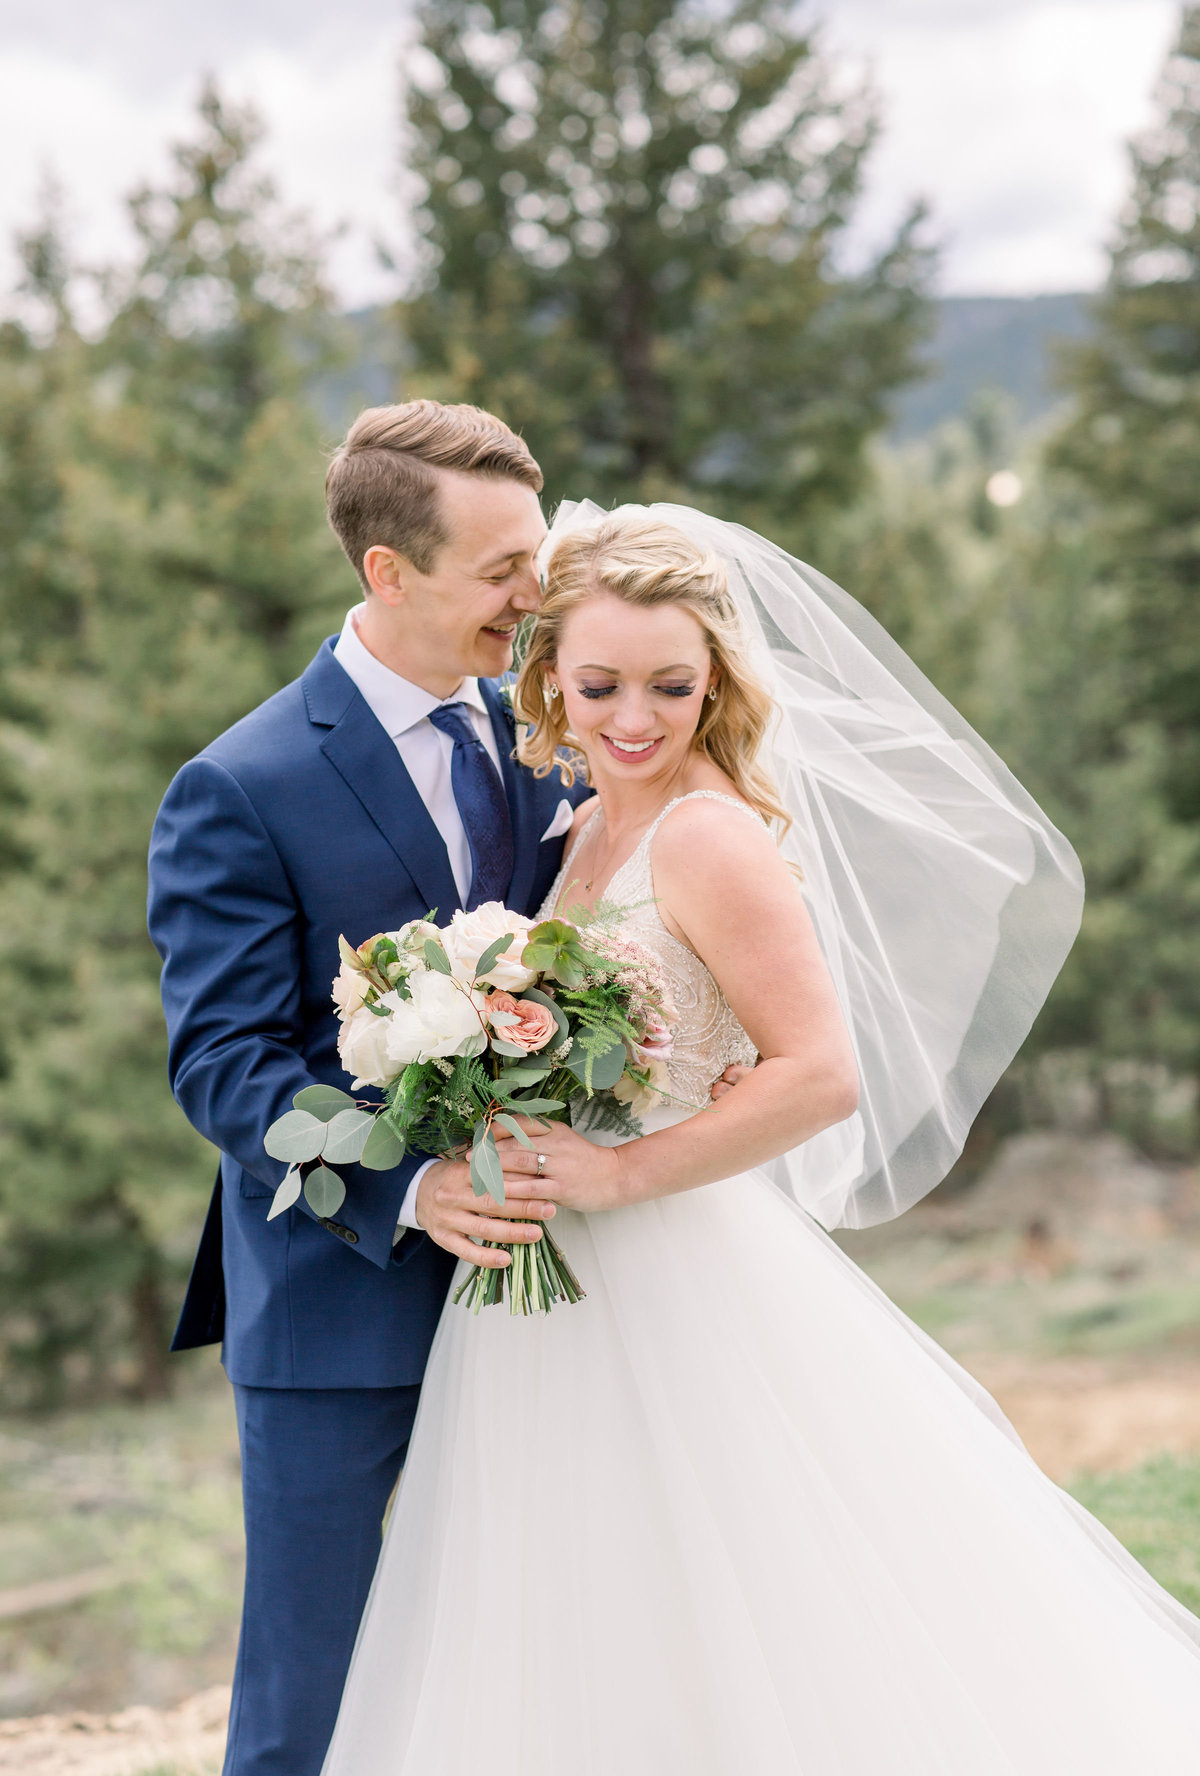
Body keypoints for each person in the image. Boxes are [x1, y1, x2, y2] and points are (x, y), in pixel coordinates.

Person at [321, 506, 1200, 1775]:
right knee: (582, 1589)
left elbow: (821, 1074)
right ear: (551, 681)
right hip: (545, 1282)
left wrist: (620, 1170)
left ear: (716, 681)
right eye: (603, 684)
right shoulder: (578, 828)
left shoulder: (711, 834)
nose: (638, 716)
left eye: (673, 685)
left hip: (677, 1260)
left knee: (746, 1583)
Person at [147, 402, 583, 1776]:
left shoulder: (548, 735)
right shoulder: (240, 784)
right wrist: (408, 1188)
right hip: (336, 1304)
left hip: (553, 1282)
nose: (538, 594)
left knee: (544, 1649)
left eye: (541, 552)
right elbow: (225, 1064)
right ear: (390, 572)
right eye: (504, 568)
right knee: (312, 1692)